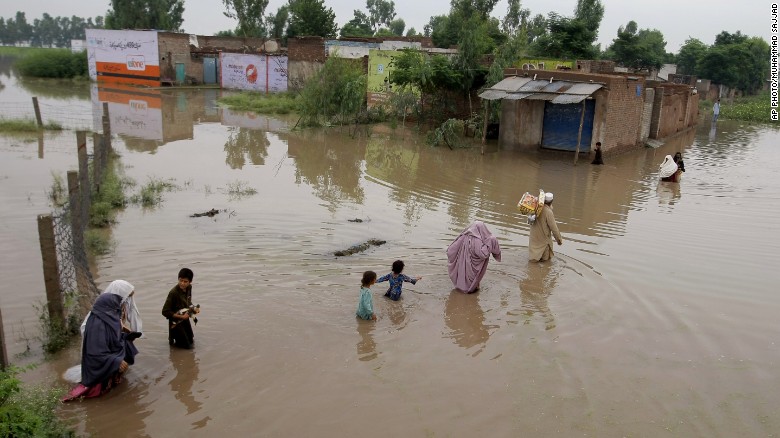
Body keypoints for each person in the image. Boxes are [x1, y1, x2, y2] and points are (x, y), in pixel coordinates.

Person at [63, 281, 141, 401]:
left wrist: (126, 334)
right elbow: (96, 352)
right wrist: (116, 361)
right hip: (99, 360)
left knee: (127, 345)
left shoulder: (109, 316)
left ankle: (114, 376)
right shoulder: (98, 325)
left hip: (106, 354)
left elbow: (114, 339)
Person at [446, 221, 502, 293]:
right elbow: (482, 254)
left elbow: (450, 250)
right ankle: (469, 296)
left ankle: (461, 292)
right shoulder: (477, 240)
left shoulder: (464, 236)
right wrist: (490, 242)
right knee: (471, 286)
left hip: (464, 265)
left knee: (463, 280)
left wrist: (461, 256)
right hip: (471, 268)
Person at [162, 268, 199, 349]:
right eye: (180, 280)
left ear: (190, 282)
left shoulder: (189, 287)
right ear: (178, 279)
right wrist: (182, 317)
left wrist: (193, 308)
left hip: (185, 317)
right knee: (185, 346)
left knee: (191, 341)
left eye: (185, 281)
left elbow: (188, 301)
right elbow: (165, 311)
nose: (182, 283)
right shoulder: (173, 293)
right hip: (176, 321)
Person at [528, 192, 563, 262]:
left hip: (534, 239)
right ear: (551, 201)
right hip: (544, 242)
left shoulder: (535, 207)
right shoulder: (548, 212)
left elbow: (529, 220)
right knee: (546, 263)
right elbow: (554, 228)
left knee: (533, 261)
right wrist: (559, 240)